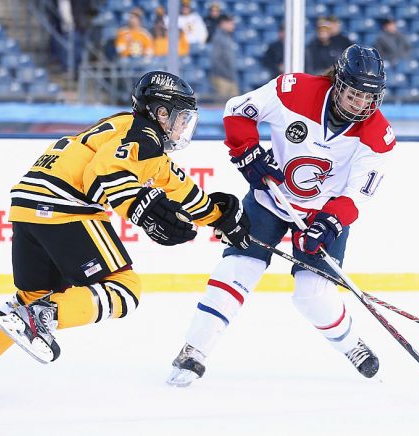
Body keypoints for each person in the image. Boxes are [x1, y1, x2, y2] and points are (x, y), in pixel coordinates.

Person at [0, 71, 251, 395]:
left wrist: (218, 218)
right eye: (181, 117)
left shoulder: (131, 130)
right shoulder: (144, 136)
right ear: (161, 112)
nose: (184, 127)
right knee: (125, 289)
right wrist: (140, 208)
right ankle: (43, 318)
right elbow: (103, 174)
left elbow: (177, 185)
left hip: (27, 206)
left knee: (31, 298)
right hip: (63, 205)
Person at [166, 45, 396, 387]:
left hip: (322, 211)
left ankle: (351, 345)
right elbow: (236, 111)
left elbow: (354, 196)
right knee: (238, 268)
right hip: (270, 198)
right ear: (338, 82)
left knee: (312, 294)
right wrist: (246, 150)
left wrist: (330, 224)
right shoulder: (294, 90)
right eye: (354, 93)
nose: (361, 104)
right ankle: (193, 350)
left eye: (369, 97)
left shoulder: (379, 135)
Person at [210, 14, 239, 101]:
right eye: (230, 23)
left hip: (230, 77)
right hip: (222, 78)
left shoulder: (227, 37)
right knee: (221, 105)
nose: (233, 25)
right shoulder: (218, 37)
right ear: (223, 23)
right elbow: (216, 59)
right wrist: (226, 75)